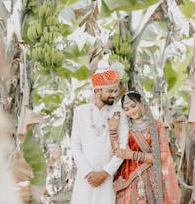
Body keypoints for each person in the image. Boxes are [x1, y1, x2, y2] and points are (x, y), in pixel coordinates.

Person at [70, 66, 129, 204]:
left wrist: (105, 173)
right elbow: (75, 145)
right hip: (85, 179)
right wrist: (88, 173)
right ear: (97, 90)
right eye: (110, 91)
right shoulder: (80, 112)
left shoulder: (120, 113)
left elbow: (123, 146)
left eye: (115, 91)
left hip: (108, 179)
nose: (114, 95)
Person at [110, 91, 181, 204]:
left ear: (142, 103)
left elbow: (163, 156)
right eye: (126, 109)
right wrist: (113, 130)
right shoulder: (124, 127)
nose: (131, 111)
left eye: (133, 106)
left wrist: (133, 155)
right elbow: (116, 150)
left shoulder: (156, 125)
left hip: (152, 176)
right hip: (129, 177)